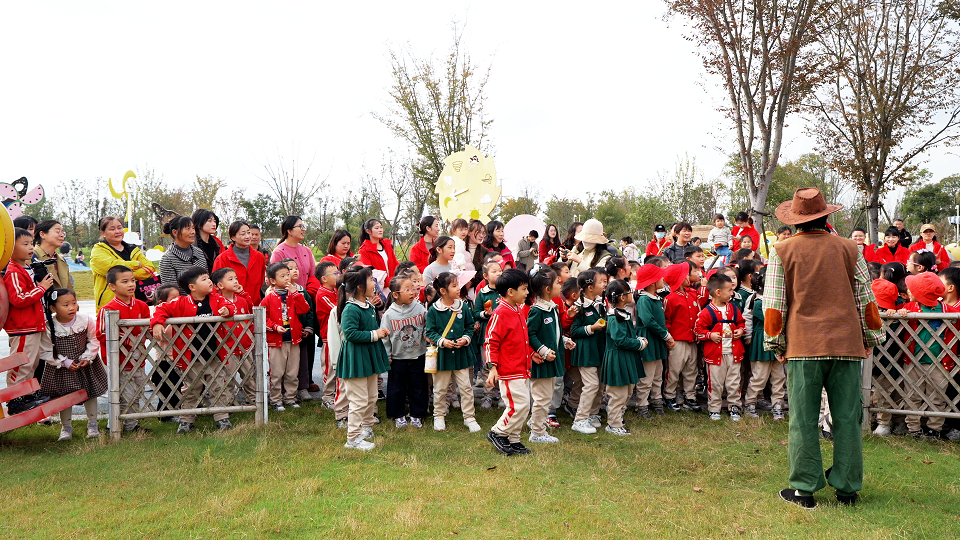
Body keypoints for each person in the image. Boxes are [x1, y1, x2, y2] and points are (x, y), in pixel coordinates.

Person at [765, 187, 883, 509]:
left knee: (803, 420)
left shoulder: (782, 250)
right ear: (825, 217)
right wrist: (870, 339)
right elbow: (865, 298)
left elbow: (774, 303)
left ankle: (804, 492)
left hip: (804, 346)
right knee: (847, 418)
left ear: (795, 220)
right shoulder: (850, 248)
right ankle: (847, 490)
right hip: (846, 344)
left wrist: (776, 343)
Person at [151, 266, 237, 434]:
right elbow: (161, 309)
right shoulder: (181, 302)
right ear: (192, 287)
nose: (209, 281)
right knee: (191, 389)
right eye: (204, 279)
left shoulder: (217, 299)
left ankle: (222, 418)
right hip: (190, 357)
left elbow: (230, 306)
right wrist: (157, 323)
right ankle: (186, 420)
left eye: (208, 278)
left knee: (218, 386)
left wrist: (227, 310)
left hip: (214, 354)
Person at [39, 288, 106, 440]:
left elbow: (94, 339)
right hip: (61, 368)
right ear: (53, 308)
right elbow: (45, 350)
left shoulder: (85, 320)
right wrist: (65, 362)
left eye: (74, 303)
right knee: (64, 397)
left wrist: (88, 356)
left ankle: (93, 424)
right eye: (66, 305)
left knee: (90, 393)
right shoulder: (49, 326)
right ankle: (66, 427)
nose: (71, 308)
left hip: (85, 364)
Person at [337, 266, 391, 451]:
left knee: (371, 396)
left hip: (368, 358)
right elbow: (350, 334)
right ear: (360, 286)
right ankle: (352, 439)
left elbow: (370, 329)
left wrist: (379, 332)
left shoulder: (368, 306)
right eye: (370, 280)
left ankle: (366, 428)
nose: (374, 283)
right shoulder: (351, 309)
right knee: (359, 400)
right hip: (356, 359)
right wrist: (376, 334)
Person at [899, 272, 957, 439]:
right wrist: (896, 312)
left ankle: (934, 429)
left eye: (912, 289)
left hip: (940, 362)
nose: (908, 291)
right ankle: (914, 428)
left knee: (938, 396)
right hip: (913, 360)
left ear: (920, 294)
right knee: (912, 396)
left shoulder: (948, 310)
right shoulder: (909, 307)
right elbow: (893, 313)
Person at [484, 268, 534, 455]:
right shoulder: (501, 313)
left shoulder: (517, 309)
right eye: (524, 289)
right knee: (517, 406)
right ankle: (498, 432)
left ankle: (513, 439)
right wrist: (493, 367)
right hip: (509, 370)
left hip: (522, 368)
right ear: (511, 292)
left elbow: (521, 340)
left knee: (524, 406)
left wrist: (532, 354)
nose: (527, 292)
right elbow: (491, 341)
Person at [96, 265, 152, 433]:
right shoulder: (108, 309)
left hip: (139, 358)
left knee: (137, 389)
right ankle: (121, 424)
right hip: (119, 360)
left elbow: (147, 327)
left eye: (133, 280)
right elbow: (102, 332)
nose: (131, 284)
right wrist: (128, 339)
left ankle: (129, 422)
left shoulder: (141, 306)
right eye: (125, 281)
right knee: (123, 392)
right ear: (112, 286)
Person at [425, 272, 480, 433]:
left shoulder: (463, 306)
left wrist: (466, 338)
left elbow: (470, 326)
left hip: (461, 355)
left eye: (458, 285)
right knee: (440, 388)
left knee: (466, 388)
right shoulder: (434, 310)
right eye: (454, 285)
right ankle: (439, 416)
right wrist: (442, 341)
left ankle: (469, 417)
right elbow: (430, 332)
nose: (458, 288)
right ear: (443, 291)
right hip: (443, 356)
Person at [3, 228, 54, 391]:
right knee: (21, 364)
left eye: (32, 243)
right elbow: (18, 299)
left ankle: (26, 395)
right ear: (10, 248)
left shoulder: (27, 267)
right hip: (23, 327)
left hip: (33, 324)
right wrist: (41, 288)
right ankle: (15, 397)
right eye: (25, 244)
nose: (31, 247)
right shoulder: (13, 272)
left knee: (32, 363)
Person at [527, 266, 572, 444]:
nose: (560, 286)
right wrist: (543, 351)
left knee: (546, 396)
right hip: (542, 361)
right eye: (557, 283)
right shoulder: (537, 310)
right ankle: (537, 433)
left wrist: (564, 341)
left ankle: (535, 423)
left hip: (552, 359)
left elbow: (555, 332)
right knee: (542, 398)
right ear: (547, 289)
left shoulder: (552, 307)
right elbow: (530, 334)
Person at [259, 262, 311, 412]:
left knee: (292, 372)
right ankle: (276, 400)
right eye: (282, 276)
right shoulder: (269, 298)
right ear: (272, 281)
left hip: (294, 339)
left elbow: (304, 309)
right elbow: (262, 317)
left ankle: (290, 398)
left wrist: (296, 294)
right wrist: (275, 327)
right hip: (276, 341)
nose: (287, 278)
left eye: (288, 274)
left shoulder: (294, 295)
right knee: (276, 373)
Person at [601, 279, 648, 436]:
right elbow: (620, 340)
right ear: (622, 297)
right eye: (629, 292)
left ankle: (618, 419)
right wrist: (638, 344)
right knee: (618, 394)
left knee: (627, 391)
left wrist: (637, 339)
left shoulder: (623, 314)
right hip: (618, 359)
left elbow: (626, 336)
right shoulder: (614, 317)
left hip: (626, 357)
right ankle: (613, 424)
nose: (631, 295)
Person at [697, 273, 746, 421]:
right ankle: (714, 408)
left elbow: (741, 322)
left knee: (734, 382)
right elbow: (698, 331)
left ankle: (735, 407)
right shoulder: (706, 312)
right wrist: (709, 335)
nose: (732, 293)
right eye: (729, 290)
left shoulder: (733, 309)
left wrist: (740, 330)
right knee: (715, 383)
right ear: (718, 292)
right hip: (715, 356)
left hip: (733, 353)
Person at [381, 274, 428, 429]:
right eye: (407, 289)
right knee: (396, 388)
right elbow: (385, 337)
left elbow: (426, 326)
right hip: (397, 358)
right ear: (395, 295)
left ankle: (417, 414)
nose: (412, 292)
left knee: (418, 386)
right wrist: (387, 355)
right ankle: (398, 415)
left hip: (418, 355)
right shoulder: (389, 314)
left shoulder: (419, 308)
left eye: (412, 288)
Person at [570, 269, 608, 434]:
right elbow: (574, 330)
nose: (604, 285)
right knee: (591, 385)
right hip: (586, 352)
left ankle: (593, 414)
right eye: (601, 282)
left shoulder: (601, 303)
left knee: (600, 385)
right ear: (590, 287)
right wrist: (592, 327)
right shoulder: (579, 306)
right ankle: (580, 419)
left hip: (599, 349)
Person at [745, 267, 786, 420]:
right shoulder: (757, 301)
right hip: (762, 341)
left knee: (779, 377)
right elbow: (768, 319)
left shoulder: (778, 300)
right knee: (759, 377)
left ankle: (778, 405)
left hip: (777, 340)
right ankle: (750, 403)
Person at [211, 267, 255, 406]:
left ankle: (253, 399)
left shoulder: (241, 300)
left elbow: (251, 310)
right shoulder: (217, 303)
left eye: (236, 278)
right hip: (227, 348)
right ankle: (227, 402)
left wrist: (243, 293)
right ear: (220, 285)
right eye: (230, 279)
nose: (235, 281)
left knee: (249, 374)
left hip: (245, 345)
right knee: (227, 377)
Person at [91, 216, 156, 310]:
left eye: (119, 228)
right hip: (110, 307)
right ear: (103, 233)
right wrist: (135, 264)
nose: (117, 231)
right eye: (112, 229)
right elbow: (111, 268)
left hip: (135, 305)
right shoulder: (98, 251)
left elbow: (150, 268)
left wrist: (126, 276)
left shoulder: (133, 249)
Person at [663, 262, 704, 412]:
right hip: (677, 340)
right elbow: (666, 320)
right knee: (674, 370)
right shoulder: (670, 298)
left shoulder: (692, 293)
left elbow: (700, 313)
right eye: (685, 274)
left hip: (692, 339)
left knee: (691, 370)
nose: (688, 276)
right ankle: (669, 395)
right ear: (679, 279)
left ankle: (690, 396)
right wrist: (669, 339)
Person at [634, 264, 671, 418]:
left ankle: (657, 401)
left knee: (657, 375)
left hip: (657, 340)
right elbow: (648, 321)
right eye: (660, 277)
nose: (663, 279)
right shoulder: (644, 299)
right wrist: (665, 335)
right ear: (652, 282)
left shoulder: (656, 298)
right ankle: (641, 404)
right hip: (648, 340)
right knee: (646, 377)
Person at [213, 221, 266, 305]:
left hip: (254, 305)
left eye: (249, 232)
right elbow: (216, 286)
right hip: (231, 307)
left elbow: (261, 281)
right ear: (233, 237)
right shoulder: (222, 259)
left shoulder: (259, 257)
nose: (248, 236)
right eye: (243, 234)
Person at [474, 259, 503, 409]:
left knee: (503, 364)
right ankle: (488, 395)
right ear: (485, 276)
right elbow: (476, 313)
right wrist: (484, 314)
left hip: (503, 333)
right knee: (488, 365)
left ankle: (502, 394)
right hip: (487, 334)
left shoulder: (506, 291)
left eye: (500, 270)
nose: (498, 273)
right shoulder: (483, 293)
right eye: (494, 271)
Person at [314, 261, 341, 407]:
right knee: (330, 368)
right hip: (329, 338)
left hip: (338, 335)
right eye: (335, 273)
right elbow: (338, 311)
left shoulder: (335, 291)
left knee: (338, 367)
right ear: (324, 278)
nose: (338, 275)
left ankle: (336, 395)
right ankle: (327, 397)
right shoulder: (322, 294)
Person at [158, 216, 205, 294]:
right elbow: (171, 293)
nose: (193, 232)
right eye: (188, 228)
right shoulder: (168, 259)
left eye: (193, 228)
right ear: (175, 233)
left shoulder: (199, 252)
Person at [270, 216, 316, 289]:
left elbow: (313, 275)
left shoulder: (307, 251)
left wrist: (309, 293)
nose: (303, 229)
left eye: (304, 226)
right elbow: (275, 278)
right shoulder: (279, 252)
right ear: (289, 231)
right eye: (300, 226)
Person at [33, 220, 71, 290]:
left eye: (63, 232)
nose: (62, 235)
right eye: (57, 231)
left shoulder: (61, 259)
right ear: (42, 234)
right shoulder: (31, 257)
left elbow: (69, 288)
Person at [191, 209, 224, 273]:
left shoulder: (218, 244)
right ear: (199, 224)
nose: (214, 224)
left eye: (214, 221)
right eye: (209, 221)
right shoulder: (191, 244)